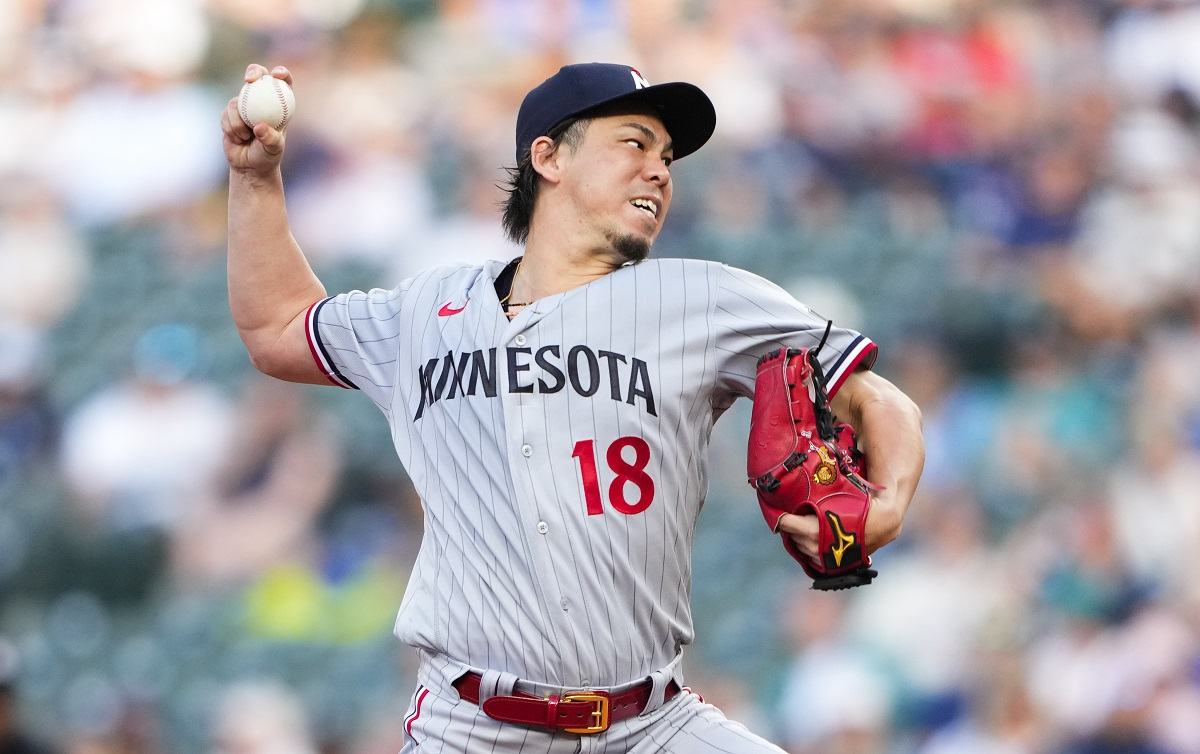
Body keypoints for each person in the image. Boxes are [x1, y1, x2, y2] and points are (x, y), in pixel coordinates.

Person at [222, 61, 924, 752]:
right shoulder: (425, 312)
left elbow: (876, 397)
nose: (659, 170)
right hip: (470, 731)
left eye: (668, 157)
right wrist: (256, 181)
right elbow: (278, 328)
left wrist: (889, 498)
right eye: (634, 143)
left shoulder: (704, 299)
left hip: (653, 726)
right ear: (549, 157)